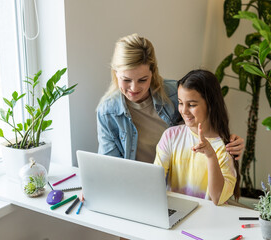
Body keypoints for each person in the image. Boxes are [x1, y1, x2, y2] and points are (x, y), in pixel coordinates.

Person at [97, 33, 244, 163]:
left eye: (142, 80)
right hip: (136, 185)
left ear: (153, 72)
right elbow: (109, 164)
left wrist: (230, 141)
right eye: (126, 80)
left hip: (179, 182)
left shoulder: (176, 94)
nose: (134, 88)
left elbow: (208, 128)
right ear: (115, 73)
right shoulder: (107, 111)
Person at [154, 69, 240, 205]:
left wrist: (211, 155)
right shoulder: (171, 136)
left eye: (192, 105)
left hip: (208, 219)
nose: (184, 110)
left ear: (210, 104)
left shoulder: (225, 146)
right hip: (175, 212)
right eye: (181, 103)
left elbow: (218, 198)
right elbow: (155, 180)